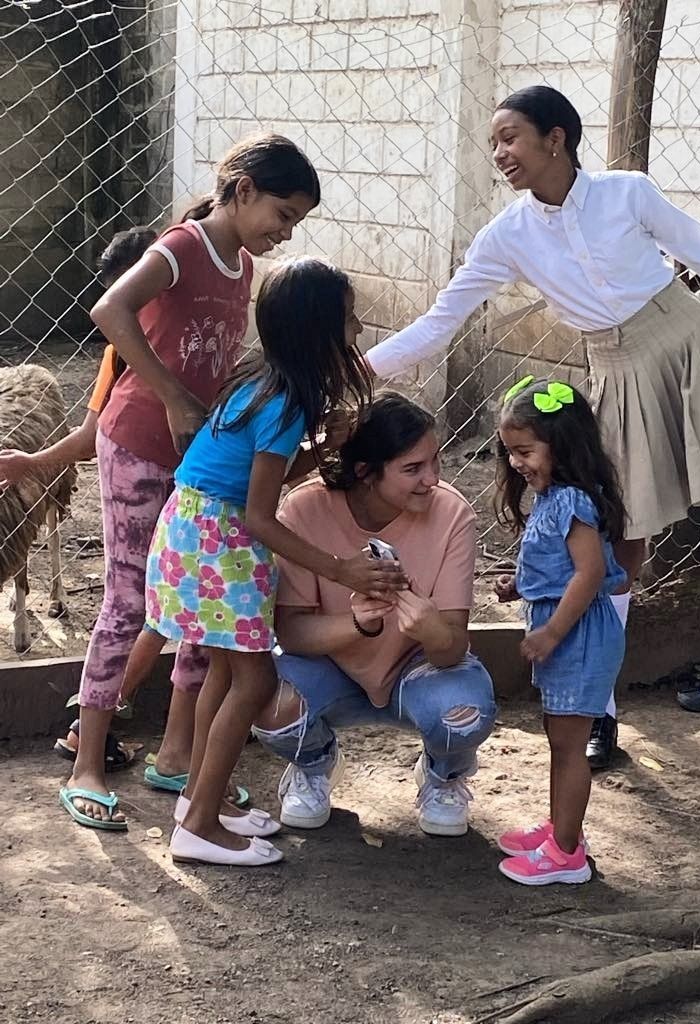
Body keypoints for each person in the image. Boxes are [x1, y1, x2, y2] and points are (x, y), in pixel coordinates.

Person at [364, 85, 700, 768]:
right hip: (619, 373)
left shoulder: (627, 194)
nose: (500, 153)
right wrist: (356, 372)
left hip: (696, 348)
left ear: (557, 138)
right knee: (620, 543)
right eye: (495, 142)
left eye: (511, 137)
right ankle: (597, 712)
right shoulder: (508, 235)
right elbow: (441, 320)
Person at [58, 133, 321, 830]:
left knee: (207, 606)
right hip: (139, 442)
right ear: (240, 190)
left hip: (197, 458)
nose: (283, 231)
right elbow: (109, 309)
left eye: (296, 221)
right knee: (127, 601)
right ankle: (87, 759)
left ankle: (178, 756)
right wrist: (174, 396)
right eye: (282, 213)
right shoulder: (182, 247)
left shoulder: (240, 265)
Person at [147, 257, 404, 867]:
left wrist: (320, 453)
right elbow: (262, 514)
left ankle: (196, 801)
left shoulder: (263, 380)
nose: (360, 329)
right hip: (221, 542)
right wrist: (341, 569)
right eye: (348, 319)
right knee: (255, 680)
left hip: (198, 528)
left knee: (225, 673)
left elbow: (261, 480)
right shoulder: (287, 401)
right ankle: (201, 827)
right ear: (317, 329)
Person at [250, 392, 497, 839]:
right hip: (330, 666)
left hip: (419, 670)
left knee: (465, 713)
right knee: (264, 701)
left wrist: (432, 630)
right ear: (365, 473)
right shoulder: (305, 508)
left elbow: (454, 646)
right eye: (413, 468)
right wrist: (359, 624)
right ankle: (315, 763)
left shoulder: (453, 512)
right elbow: (291, 632)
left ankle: (443, 775)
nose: (432, 479)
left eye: (435, 461)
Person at [0, 227, 163, 764]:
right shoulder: (118, 353)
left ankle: (142, 731)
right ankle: (94, 728)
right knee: (132, 603)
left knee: (172, 608)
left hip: (193, 493)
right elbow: (92, 435)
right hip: (136, 486)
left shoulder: (202, 339)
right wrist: (35, 462)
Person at [494, 376, 626, 884]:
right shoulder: (554, 497)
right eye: (510, 452)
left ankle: (567, 855)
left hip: (579, 636)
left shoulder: (573, 501)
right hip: (567, 630)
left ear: (561, 443)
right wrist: (520, 586)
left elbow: (589, 574)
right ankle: (561, 829)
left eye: (524, 450)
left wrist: (550, 633)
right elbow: (559, 569)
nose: (516, 463)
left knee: (569, 745)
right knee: (559, 739)